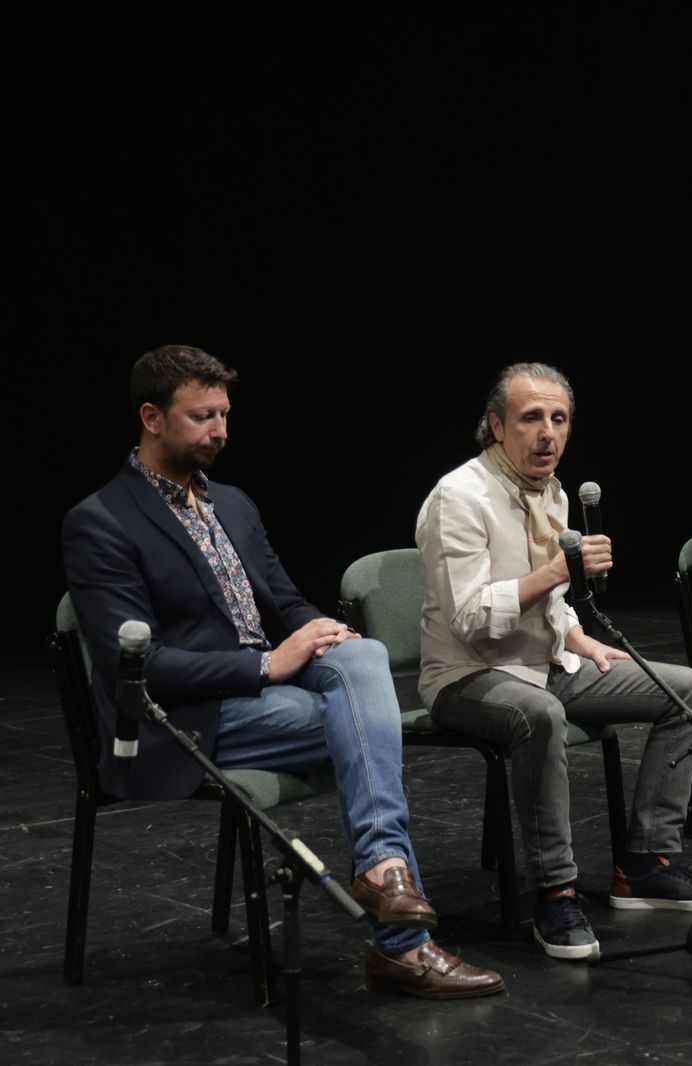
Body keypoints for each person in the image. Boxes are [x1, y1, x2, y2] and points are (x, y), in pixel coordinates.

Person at [62, 345, 501, 999]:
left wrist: (324, 633)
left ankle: (382, 868)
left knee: (363, 657)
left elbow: (285, 601)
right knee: (358, 724)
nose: (221, 431)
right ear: (151, 418)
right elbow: (144, 667)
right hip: (179, 718)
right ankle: (402, 945)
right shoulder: (99, 522)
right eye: (202, 417)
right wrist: (266, 664)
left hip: (269, 688)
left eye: (225, 414)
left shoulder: (232, 503)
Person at [415, 362, 692, 961]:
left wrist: (574, 631)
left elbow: (552, 602)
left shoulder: (556, 492)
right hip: (467, 676)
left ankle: (645, 861)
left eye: (559, 419)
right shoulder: (459, 496)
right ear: (495, 425)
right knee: (538, 715)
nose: (548, 433)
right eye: (532, 417)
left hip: (549, 664)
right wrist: (558, 572)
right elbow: (472, 619)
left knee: (687, 689)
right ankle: (553, 890)